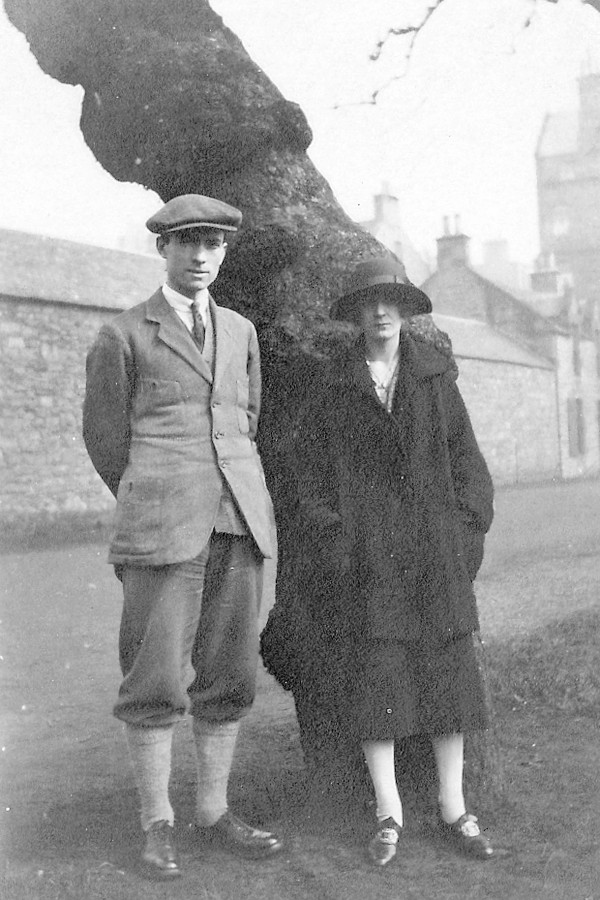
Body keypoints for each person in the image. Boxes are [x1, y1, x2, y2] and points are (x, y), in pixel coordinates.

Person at [82, 194, 284, 878]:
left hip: (237, 518)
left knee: (229, 674)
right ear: (161, 249)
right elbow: (107, 440)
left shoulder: (241, 331)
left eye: (213, 244)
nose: (200, 256)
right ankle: (157, 823)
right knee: (155, 677)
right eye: (187, 242)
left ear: (225, 252)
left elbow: (244, 421)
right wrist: (155, 493)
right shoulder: (124, 334)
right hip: (162, 527)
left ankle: (212, 810)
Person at [276, 256, 495, 867]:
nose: (379, 313)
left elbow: (470, 469)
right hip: (368, 563)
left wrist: (463, 534)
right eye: (367, 304)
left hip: (433, 556)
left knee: (448, 679)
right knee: (380, 681)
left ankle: (455, 807)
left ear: (403, 311)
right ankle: (389, 813)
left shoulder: (434, 379)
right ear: (355, 316)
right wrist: (337, 540)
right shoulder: (333, 386)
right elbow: (306, 477)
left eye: (389, 302)